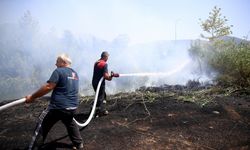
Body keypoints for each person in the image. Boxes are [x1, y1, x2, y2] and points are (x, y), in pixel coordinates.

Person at [25, 54, 83, 150]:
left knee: (42, 123)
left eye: (57, 61)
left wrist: (32, 97)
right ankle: (78, 144)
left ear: (63, 63)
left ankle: (32, 148)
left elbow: (48, 87)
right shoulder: (75, 73)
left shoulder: (58, 71)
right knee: (70, 123)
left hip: (58, 107)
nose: (55, 64)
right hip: (72, 107)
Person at [92, 51, 119, 117]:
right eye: (107, 57)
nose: (107, 59)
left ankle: (101, 110)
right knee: (101, 98)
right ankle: (98, 112)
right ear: (105, 57)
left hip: (94, 82)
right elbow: (106, 77)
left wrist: (111, 75)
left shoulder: (96, 62)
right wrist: (112, 76)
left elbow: (100, 73)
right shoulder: (104, 64)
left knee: (102, 96)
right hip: (100, 84)